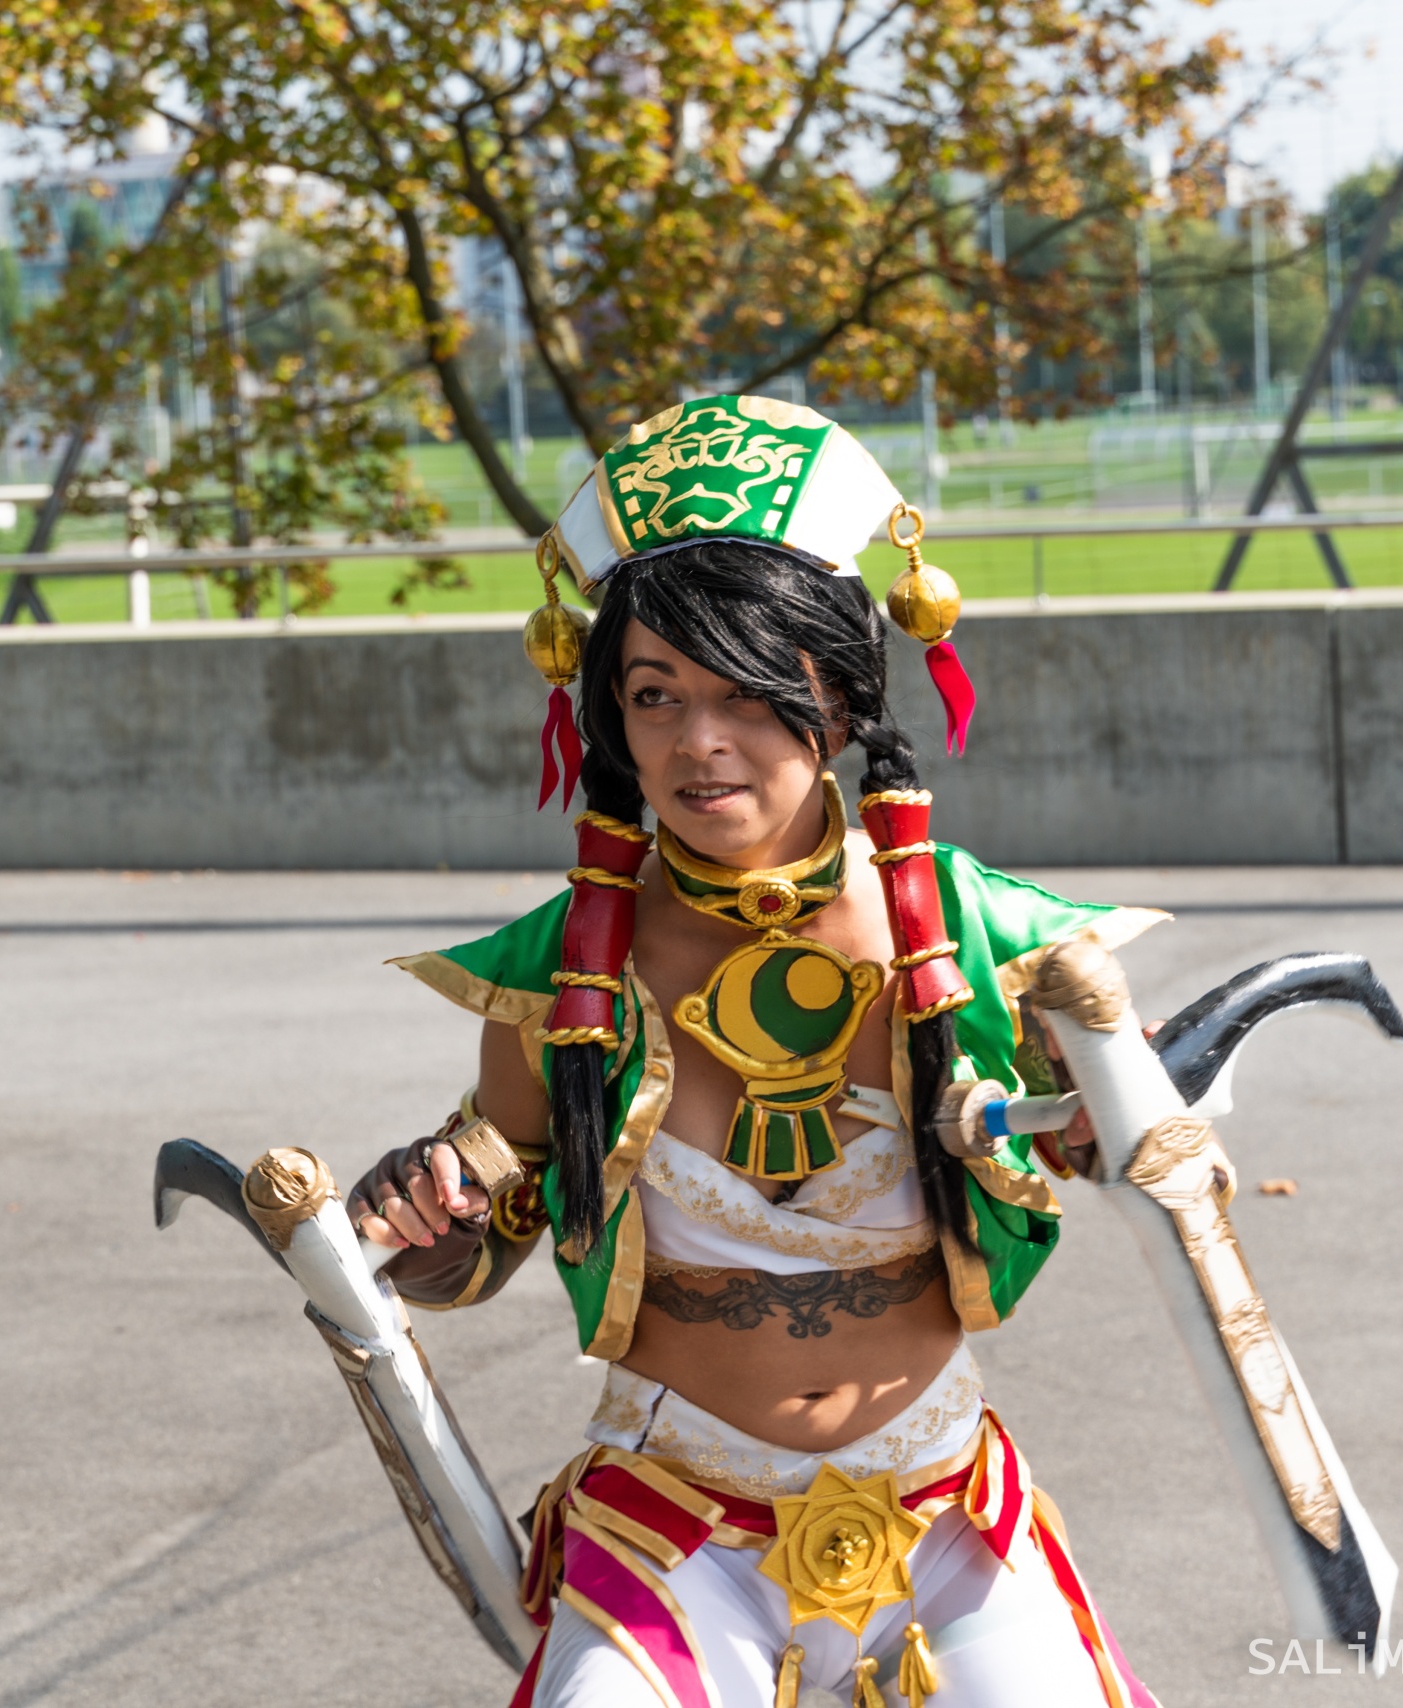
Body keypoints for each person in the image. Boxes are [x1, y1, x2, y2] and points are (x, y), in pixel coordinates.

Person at [358, 396, 1170, 1708]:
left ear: (839, 698)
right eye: (655, 695)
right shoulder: (564, 967)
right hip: (675, 1530)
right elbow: (492, 1211)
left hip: (947, 1516)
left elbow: (1111, 1149)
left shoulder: (984, 937)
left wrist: (1110, 1110)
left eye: (746, 693)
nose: (698, 742)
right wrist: (423, 1213)